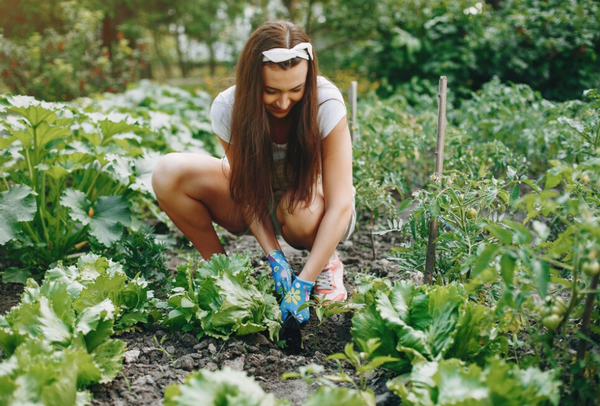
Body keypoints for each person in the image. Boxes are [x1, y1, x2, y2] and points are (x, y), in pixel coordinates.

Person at [151, 20, 355, 323]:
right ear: (251, 81)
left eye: (296, 89)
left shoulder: (325, 102)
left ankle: (325, 263)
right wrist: (275, 258)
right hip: (259, 202)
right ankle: (223, 272)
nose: (284, 102)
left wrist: (304, 282)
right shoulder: (229, 107)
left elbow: (341, 203)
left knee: (299, 210)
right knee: (167, 172)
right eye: (271, 91)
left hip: (313, 209)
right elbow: (247, 189)